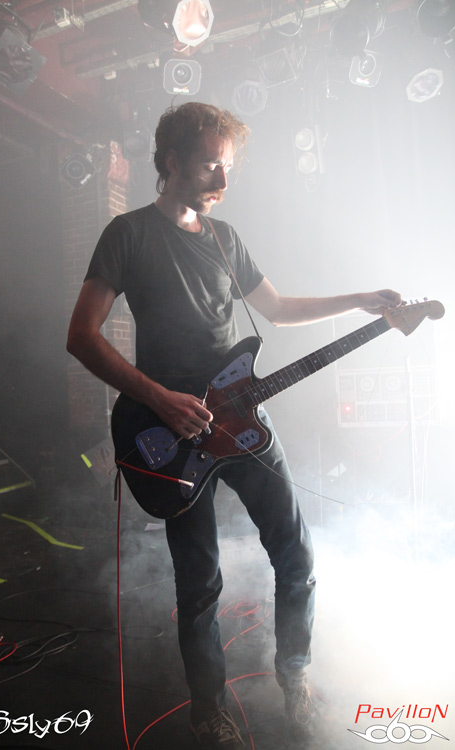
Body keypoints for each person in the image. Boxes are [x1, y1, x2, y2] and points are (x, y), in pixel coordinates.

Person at [67, 102, 401, 750]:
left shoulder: (226, 238)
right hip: (171, 429)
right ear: (171, 162)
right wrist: (160, 399)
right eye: (210, 165)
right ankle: (208, 710)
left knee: (297, 554)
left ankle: (294, 677)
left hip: (243, 416)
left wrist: (362, 299)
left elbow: (278, 308)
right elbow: (81, 335)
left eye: (228, 166)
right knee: (199, 584)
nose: (223, 179)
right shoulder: (128, 235)